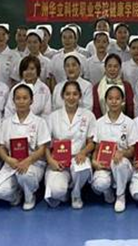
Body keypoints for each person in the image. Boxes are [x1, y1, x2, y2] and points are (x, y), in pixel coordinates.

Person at [0, 83, 50, 211]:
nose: (21, 101)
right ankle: (16, 195)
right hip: (12, 163)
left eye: (25, 98)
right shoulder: (6, 123)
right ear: (13, 101)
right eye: (18, 98)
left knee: (24, 175)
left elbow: (42, 148)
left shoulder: (39, 122)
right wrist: (8, 159)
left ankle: (29, 197)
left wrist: (28, 160)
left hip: (33, 163)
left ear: (31, 100)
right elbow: (1, 147)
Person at [44, 81, 96, 209]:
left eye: (75, 94)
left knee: (83, 168)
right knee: (56, 191)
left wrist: (83, 152)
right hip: (58, 160)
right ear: (62, 96)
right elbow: (45, 144)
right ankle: (64, 191)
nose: (71, 97)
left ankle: (76, 193)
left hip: (78, 157)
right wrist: (50, 161)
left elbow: (91, 142)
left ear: (80, 96)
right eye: (67, 94)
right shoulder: (53, 117)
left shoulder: (88, 115)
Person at [91, 85, 135, 213]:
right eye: (110, 98)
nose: (114, 102)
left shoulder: (129, 123)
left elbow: (132, 150)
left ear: (123, 101)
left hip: (122, 165)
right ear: (106, 101)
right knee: (100, 183)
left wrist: (122, 153)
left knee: (120, 164)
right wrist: (94, 161)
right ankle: (107, 190)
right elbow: (96, 148)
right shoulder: (99, 123)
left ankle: (120, 196)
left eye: (117, 98)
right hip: (104, 165)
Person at [93, 54, 136, 118]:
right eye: (109, 66)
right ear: (105, 67)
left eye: (115, 66)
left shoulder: (126, 86)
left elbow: (130, 108)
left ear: (120, 68)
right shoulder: (97, 87)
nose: (112, 69)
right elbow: (96, 109)